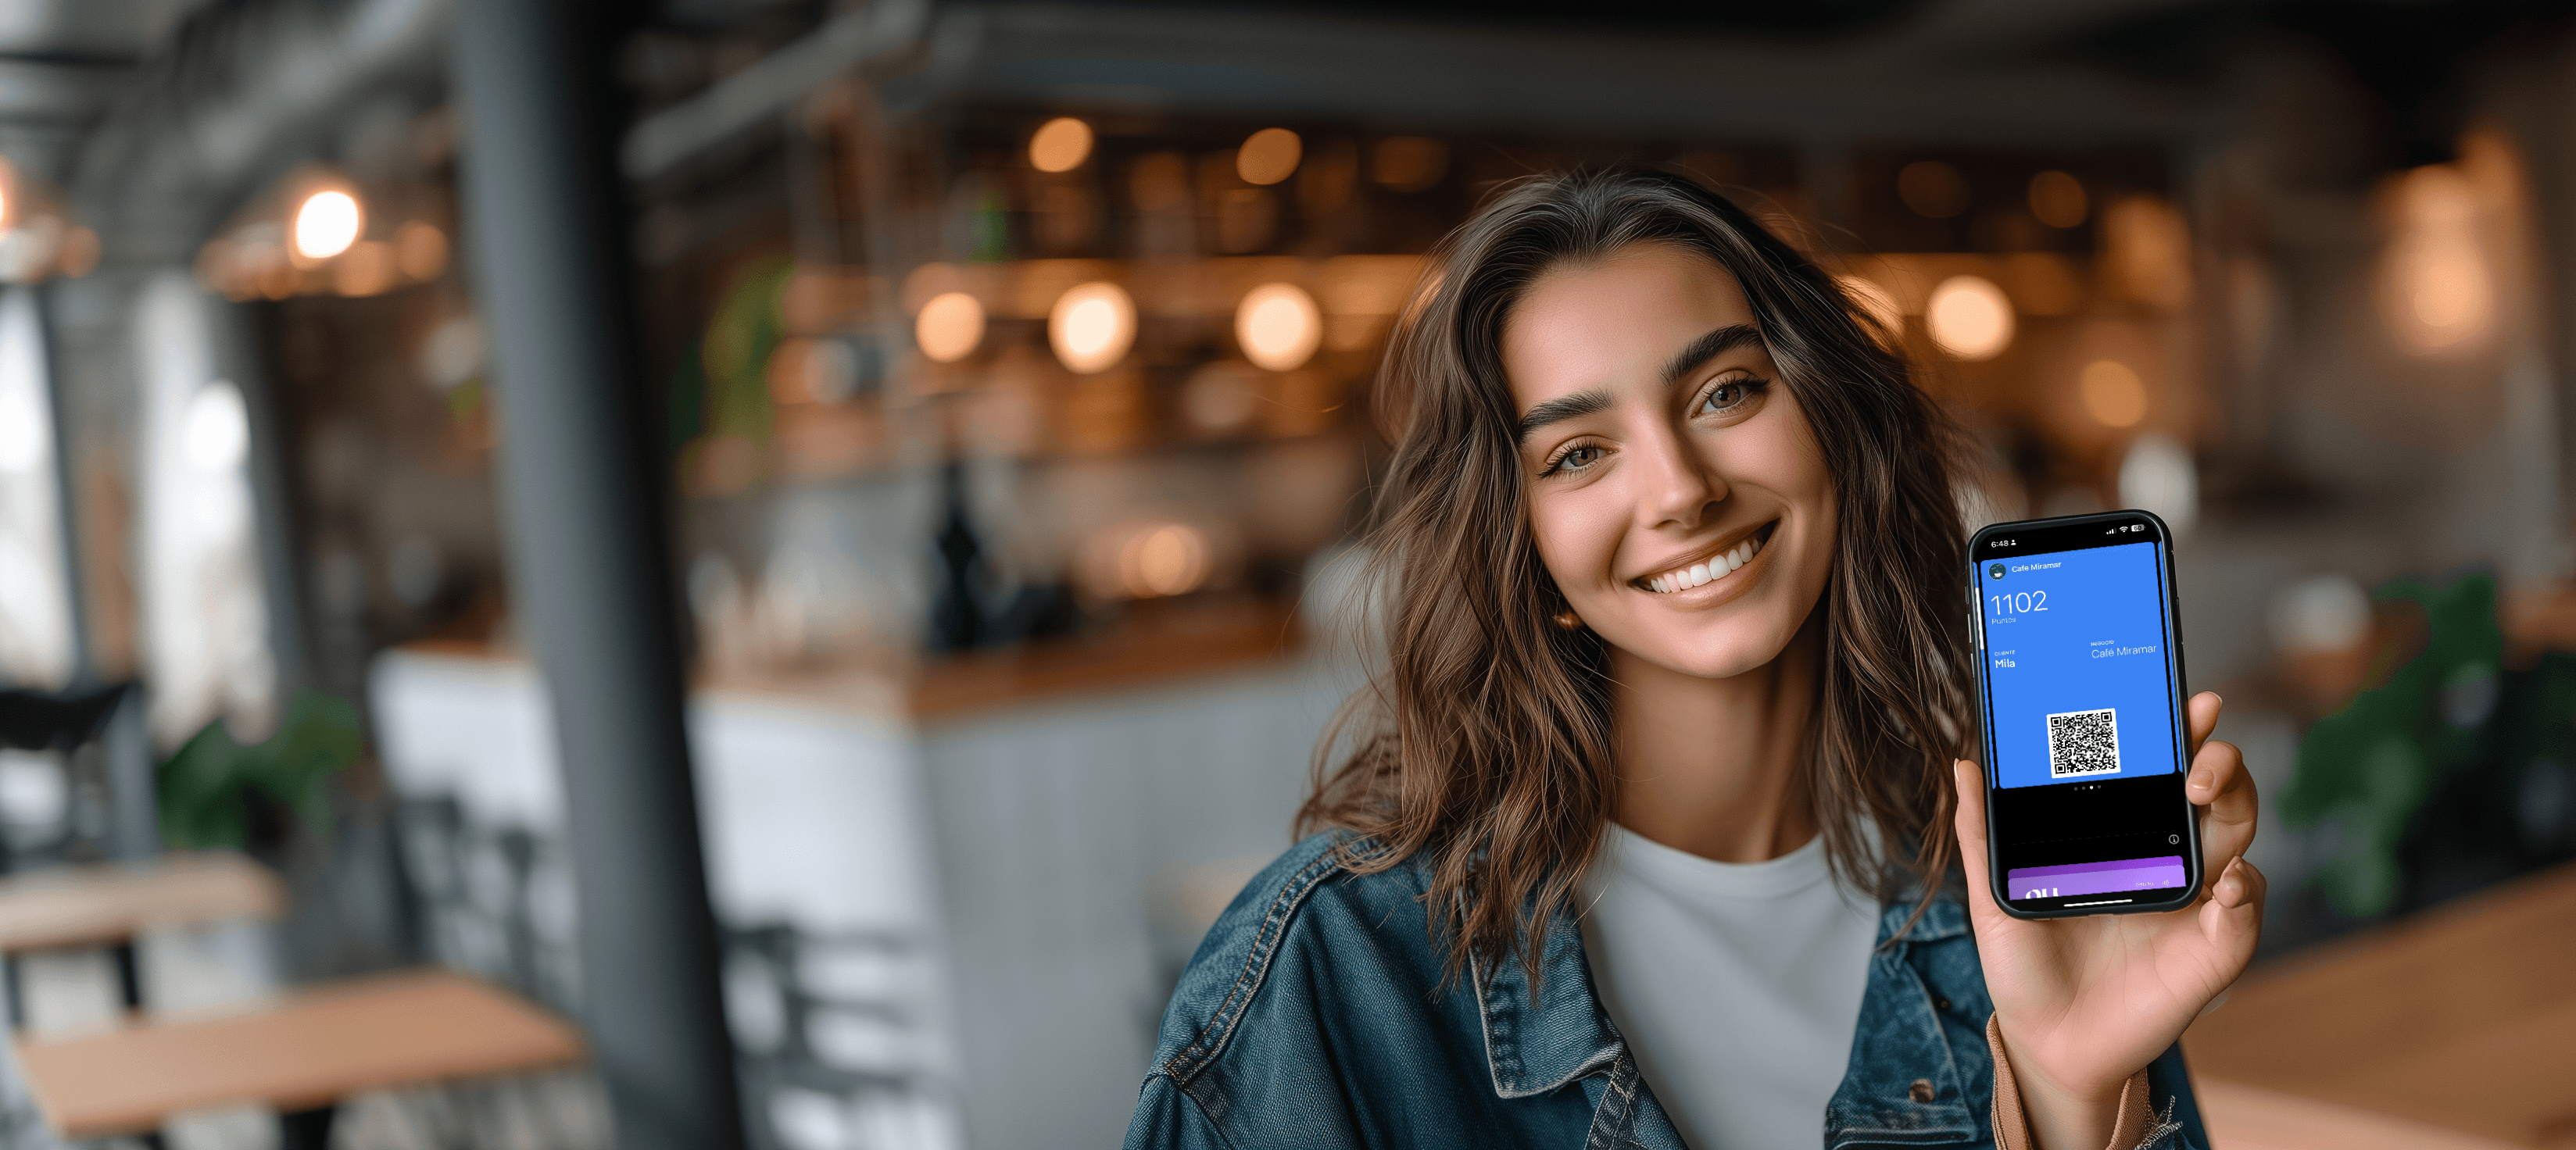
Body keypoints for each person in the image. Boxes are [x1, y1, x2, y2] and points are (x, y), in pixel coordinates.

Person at [1123, 168, 2261, 1150]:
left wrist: (2071, 1091)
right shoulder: (1330, 981)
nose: (1678, 490)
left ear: (1833, 420)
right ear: (1516, 538)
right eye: (1578, 453)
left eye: (1725, 392)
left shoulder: (2008, 912)